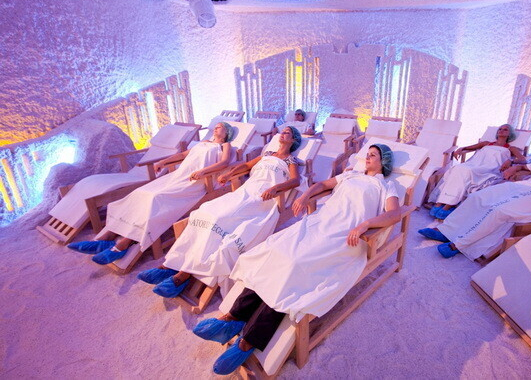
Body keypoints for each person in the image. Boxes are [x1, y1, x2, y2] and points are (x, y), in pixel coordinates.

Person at [191, 144, 400, 375]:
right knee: (274, 251)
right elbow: (322, 185)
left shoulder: (386, 185)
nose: (367, 157)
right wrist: (306, 194)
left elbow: (394, 214)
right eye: (367, 154)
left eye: (373, 155)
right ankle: (234, 317)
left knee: (294, 265)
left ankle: (248, 341)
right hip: (321, 221)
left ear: (384, 161)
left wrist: (365, 225)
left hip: (345, 234)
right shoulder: (350, 174)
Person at [136, 126, 303, 297]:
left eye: (287, 133)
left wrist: (276, 188)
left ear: (293, 140)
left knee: (218, 219)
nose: (282, 134)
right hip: (245, 191)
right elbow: (246, 165)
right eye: (282, 132)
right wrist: (229, 174)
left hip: (262, 198)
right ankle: (170, 264)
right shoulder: (267, 154)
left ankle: (182, 275)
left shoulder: (291, 160)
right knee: (203, 212)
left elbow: (295, 180)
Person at [67, 122, 236, 263]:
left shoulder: (225, 145)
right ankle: (107, 236)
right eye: (215, 126)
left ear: (226, 133)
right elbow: (183, 154)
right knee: (140, 193)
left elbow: (224, 162)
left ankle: (124, 243)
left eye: (220, 127)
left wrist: (203, 171)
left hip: (195, 182)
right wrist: (163, 161)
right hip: (177, 176)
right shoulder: (203, 142)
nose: (216, 128)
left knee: (155, 198)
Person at [427, 124, 526, 219]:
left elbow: (523, 160)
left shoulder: (511, 148)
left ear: (510, 134)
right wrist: (461, 149)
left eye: (505, 129)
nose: (501, 131)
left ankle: (448, 205)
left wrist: (511, 161)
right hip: (475, 164)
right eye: (500, 129)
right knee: (458, 168)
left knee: (466, 171)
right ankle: (439, 203)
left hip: (490, 168)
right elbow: (469, 147)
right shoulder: (486, 143)